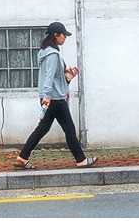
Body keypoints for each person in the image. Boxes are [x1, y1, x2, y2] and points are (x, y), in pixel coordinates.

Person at [14, 21, 97, 169]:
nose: (65, 38)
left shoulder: (46, 51)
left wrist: (66, 74)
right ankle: (81, 159)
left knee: (43, 128)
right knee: (69, 129)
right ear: (56, 35)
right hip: (55, 99)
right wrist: (47, 96)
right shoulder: (52, 54)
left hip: (50, 97)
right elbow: (49, 76)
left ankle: (23, 156)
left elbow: (53, 75)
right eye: (63, 35)